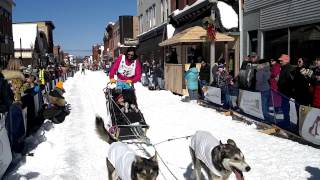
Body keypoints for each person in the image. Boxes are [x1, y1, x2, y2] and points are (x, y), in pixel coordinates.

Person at [277, 54, 295, 128]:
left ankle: (287, 123)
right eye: (280, 60)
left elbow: (291, 81)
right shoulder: (284, 67)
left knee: (285, 107)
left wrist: (283, 86)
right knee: (284, 107)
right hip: (283, 91)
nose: (280, 62)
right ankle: (285, 121)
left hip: (286, 92)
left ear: (286, 60)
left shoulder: (289, 68)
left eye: (282, 60)